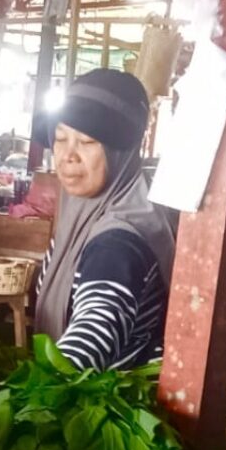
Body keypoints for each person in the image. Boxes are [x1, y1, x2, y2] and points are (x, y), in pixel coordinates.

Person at [35, 68, 176, 371]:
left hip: (105, 403)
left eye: (86, 142)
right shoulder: (83, 214)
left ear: (119, 152)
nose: (67, 155)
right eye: (60, 138)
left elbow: (95, 330)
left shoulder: (118, 241)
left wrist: (34, 390)